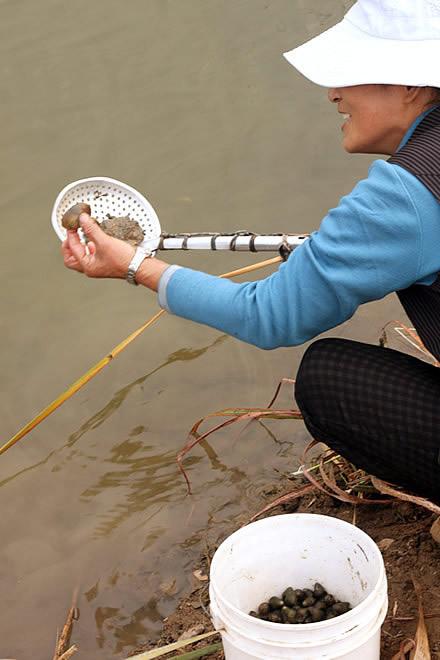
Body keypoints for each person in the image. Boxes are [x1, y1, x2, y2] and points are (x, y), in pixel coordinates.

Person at [63, 0, 440, 505]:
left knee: (331, 380)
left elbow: (268, 316)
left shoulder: (404, 197)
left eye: (347, 76)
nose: (332, 94)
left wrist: (135, 265)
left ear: (411, 84)